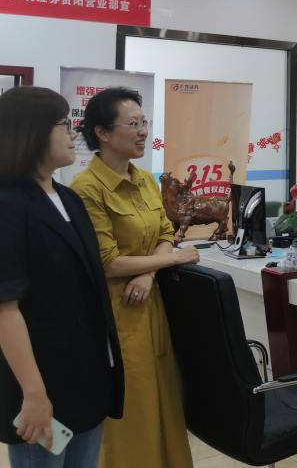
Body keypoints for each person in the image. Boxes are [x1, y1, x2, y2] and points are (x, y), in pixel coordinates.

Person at [70, 88, 198, 468]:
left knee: (164, 401)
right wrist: (170, 260)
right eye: (133, 124)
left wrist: (149, 272)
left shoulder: (144, 178)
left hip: (151, 305)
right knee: (132, 412)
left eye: (145, 122)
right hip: (117, 315)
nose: (143, 131)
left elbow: (164, 232)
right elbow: (106, 262)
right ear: (103, 133)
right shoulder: (86, 189)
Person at [0, 87, 124, 468]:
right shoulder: (8, 204)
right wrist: (33, 392)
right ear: (32, 132)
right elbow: (5, 308)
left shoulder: (69, 198)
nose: (74, 134)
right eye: (64, 125)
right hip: (40, 386)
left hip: (86, 378)